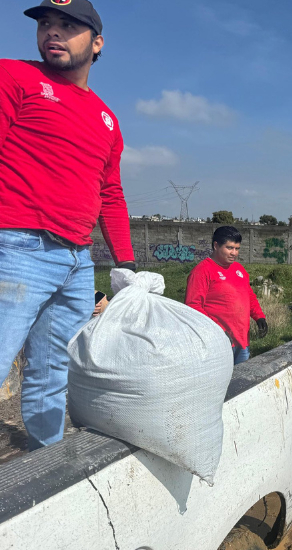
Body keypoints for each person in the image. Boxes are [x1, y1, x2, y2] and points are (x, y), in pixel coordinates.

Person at [0, 0, 135, 450]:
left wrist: (127, 265)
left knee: (53, 375)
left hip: (78, 262)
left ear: (97, 43)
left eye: (67, 25)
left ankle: (45, 465)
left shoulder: (107, 121)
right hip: (16, 248)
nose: (52, 32)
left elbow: (110, 195)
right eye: (45, 24)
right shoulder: (14, 77)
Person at [185, 226, 267, 365]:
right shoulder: (202, 271)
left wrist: (259, 316)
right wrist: (217, 331)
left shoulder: (239, 269)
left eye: (237, 248)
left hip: (242, 341)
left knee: (241, 383)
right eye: (229, 248)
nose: (234, 253)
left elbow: (249, 296)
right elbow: (193, 307)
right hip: (218, 343)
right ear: (216, 245)